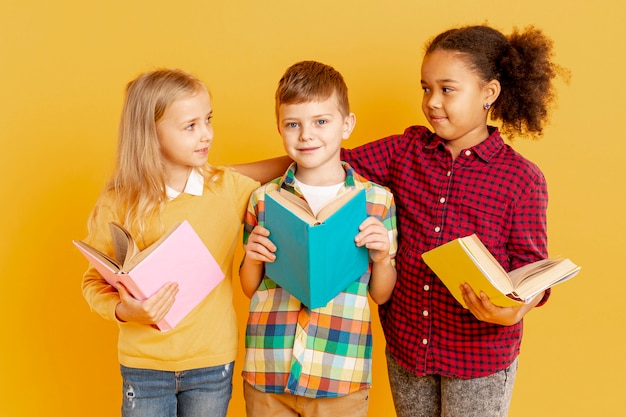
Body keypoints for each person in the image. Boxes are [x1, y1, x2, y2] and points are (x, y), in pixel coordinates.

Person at [338, 25, 569, 417]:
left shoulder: (522, 179)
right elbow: (327, 163)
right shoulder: (406, 150)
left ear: (488, 93)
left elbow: (532, 272)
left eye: (447, 89)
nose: (432, 101)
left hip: (480, 355)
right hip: (409, 345)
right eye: (426, 88)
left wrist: (516, 309)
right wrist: (226, 175)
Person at [80, 68, 260, 417]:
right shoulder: (118, 203)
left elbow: (290, 166)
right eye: (190, 126)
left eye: (208, 119)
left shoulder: (227, 188)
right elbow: (92, 282)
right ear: (150, 133)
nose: (206, 134)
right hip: (144, 368)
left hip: (211, 364)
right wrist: (123, 310)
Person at [239, 60, 398, 417]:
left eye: (320, 122)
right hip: (269, 369)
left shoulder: (376, 201)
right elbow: (250, 287)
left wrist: (382, 257)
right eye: (292, 124)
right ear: (279, 128)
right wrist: (252, 258)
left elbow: (381, 294)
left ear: (347, 125)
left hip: (339, 374)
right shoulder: (264, 199)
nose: (306, 135)